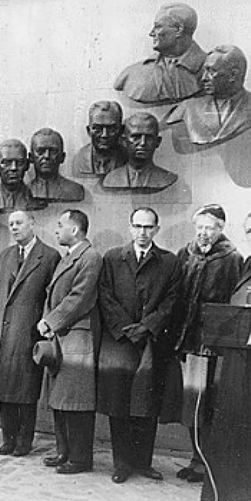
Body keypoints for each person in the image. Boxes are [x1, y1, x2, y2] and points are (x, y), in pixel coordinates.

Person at [97, 207, 181, 483]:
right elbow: (105, 296)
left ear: (156, 229)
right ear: (130, 228)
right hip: (120, 340)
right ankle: (122, 464)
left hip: (151, 341)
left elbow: (172, 300)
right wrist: (126, 328)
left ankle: (143, 463)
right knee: (118, 404)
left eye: (148, 227)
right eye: (138, 226)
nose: (143, 232)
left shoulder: (169, 262)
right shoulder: (112, 258)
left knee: (147, 404)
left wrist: (147, 327)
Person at [170, 205, 243, 482]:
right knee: (193, 403)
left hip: (212, 344)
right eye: (199, 227)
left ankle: (208, 463)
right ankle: (196, 458)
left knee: (208, 403)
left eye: (210, 227)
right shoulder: (185, 254)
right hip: (188, 342)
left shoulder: (231, 258)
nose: (203, 233)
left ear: (221, 228)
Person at [0, 210, 60, 456]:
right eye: (11, 224)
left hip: (29, 332)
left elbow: (53, 298)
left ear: (32, 224)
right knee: (4, 386)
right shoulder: (6, 255)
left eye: (19, 223)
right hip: (3, 332)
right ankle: (9, 438)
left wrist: (45, 328)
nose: (14, 228)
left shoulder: (49, 256)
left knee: (26, 389)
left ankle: (25, 440)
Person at [36, 209, 103, 474]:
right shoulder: (70, 257)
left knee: (76, 402)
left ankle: (80, 458)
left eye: (60, 225)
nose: (56, 230)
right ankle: (64, 451)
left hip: (78, 336)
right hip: (63, 335)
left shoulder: (90, 257)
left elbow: (80, 298)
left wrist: (50, 322)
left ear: (74, 230)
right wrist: (50, 324)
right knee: (60, 399)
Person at [166, 45, 251, 146]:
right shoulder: (187, 108)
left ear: (233, 75)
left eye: (211, 71)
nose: (204, 78)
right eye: (205, 71)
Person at [114, 3, 206, 105]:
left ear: (178, 29)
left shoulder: (211, 70)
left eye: (158, 27)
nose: (151, 33)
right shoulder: (132, 73)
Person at [102, 113, 177, 192]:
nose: (142, 143)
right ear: (124, 141)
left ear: (158, 142)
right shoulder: (111, 179)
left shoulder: (167, 179)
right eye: (136, 137)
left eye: (149, 137)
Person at [0, 139, 46, 212]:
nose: (14, 168)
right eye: (7, 163)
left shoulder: (35, 197)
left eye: (19, 163)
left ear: (27, 165)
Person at [72, 101, 127, 177]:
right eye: (98, 128)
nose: (104, 135)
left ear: (121, 130)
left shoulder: (128, 158)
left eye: (111, 128)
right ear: (89, 131)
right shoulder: (80, 159)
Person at [28, 128, 84, 202]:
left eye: (53, 151)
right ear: (31, 157)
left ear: (62, 157)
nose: (47, 156)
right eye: (40, 151)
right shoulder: (24, 191)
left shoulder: (75, 190)